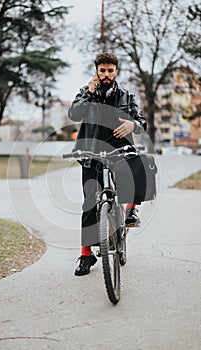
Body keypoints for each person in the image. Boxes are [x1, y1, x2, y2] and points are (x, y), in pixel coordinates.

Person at [68, 52, 147, 276]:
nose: (106, 74)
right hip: (91, 151)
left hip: (119, 148)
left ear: (116, 72)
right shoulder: (86, 92)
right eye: (102, 70)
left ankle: (131, 210)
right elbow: (74, 114)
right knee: (89, 204)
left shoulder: (126, 95)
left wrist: (133, 126)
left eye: (110, 70)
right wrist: (90, 94)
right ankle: (86, 255)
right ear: (97, 71)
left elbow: (141, 122)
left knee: (140, 165)